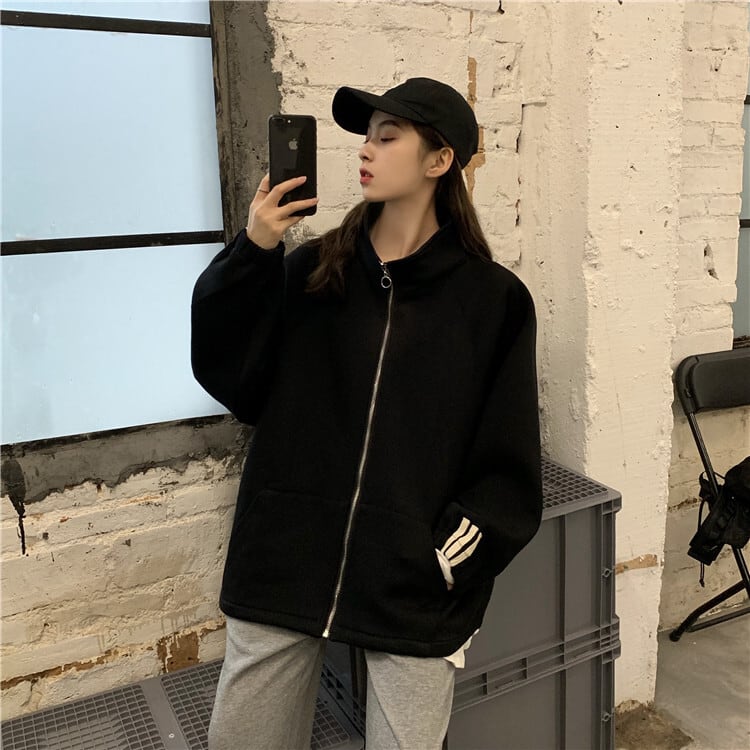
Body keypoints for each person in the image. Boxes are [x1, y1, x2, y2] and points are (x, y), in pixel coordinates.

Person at [191, 77, 543, 750]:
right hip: (286, 561)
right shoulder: (312, 273)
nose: (365, 149)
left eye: (388, 136)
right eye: (365, 136)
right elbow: (233, 377)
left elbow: (508, 460)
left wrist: (446, 560)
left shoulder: (492, 302)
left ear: (440, 160)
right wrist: (253, 251)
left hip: (414, 585)